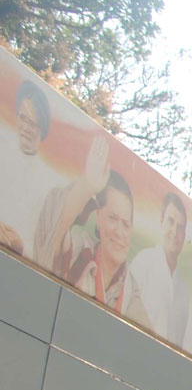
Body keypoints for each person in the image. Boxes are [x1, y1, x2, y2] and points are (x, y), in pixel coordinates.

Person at [36, 137, 149, 325]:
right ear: (98, 219)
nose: (119, 232)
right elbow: (52, 237)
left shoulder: (130, 288)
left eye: (126, 224)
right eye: (113, 218)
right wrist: (86, 187)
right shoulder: (81, 251)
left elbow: (150, 346)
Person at [0, 80, 60, 259]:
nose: (26, 128)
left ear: (43, 128)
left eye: (33, 123)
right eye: (23, 118)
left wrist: (20, 246)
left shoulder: (49, 183)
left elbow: (45, 251)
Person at [130, 193, 190, 343]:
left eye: (180, 228)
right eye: (171, 221)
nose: (175, 232)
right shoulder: (143, 263)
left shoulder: (183, 290)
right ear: (161, 222)